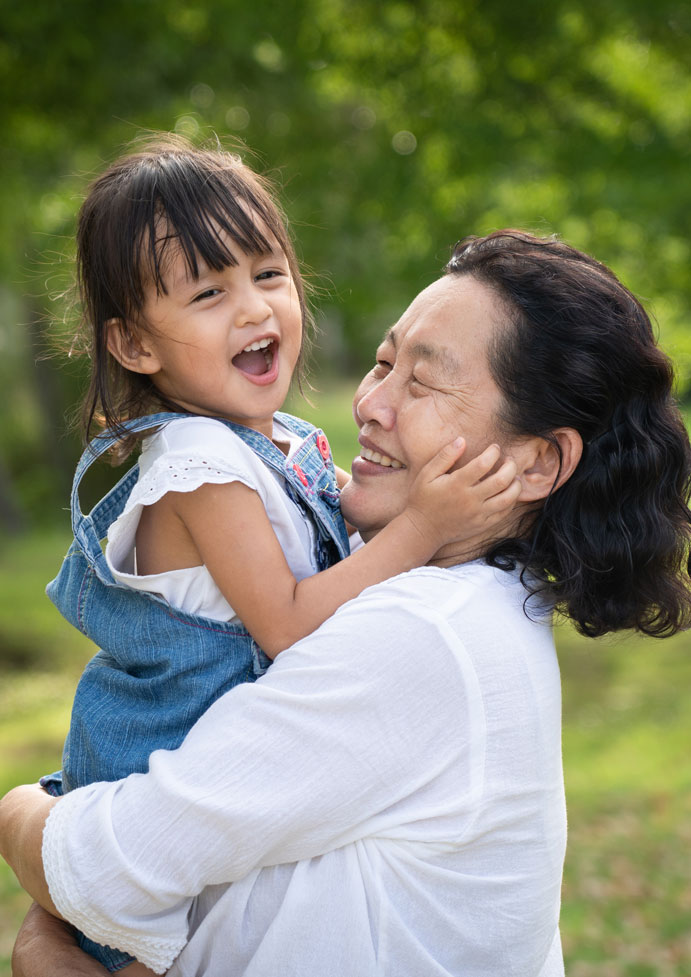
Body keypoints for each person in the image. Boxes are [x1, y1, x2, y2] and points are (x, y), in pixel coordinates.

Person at [2, 230, 691, 977]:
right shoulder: (461, 597)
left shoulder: (421, 634)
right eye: (383, 362)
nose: (369, 403)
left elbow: (109, 869)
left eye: (421, 383)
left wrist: (17, 816)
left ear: (537, 462)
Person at [30, 136, 520, 974]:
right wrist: (425, 525)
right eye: (208, 292)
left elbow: (339, 539)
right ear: (136, 347)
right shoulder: (197, 465)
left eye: (267, 273)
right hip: (156, 772)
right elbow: (289, 623)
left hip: (221, 779)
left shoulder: (279, 442)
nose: (254, 309)